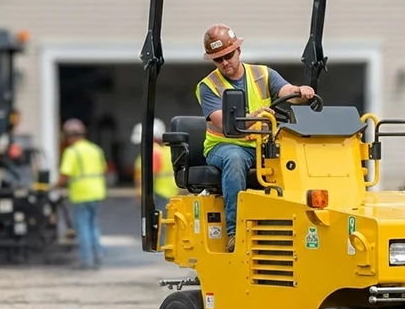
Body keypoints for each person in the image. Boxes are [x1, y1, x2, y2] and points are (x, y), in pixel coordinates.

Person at [195, 23, 315, 252]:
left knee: (296, 158)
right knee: (235, 160)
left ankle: (298, 229)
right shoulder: (208, 86)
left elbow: (287, 92)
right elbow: (225, 123)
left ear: (238, 50)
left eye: (228, 55)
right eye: (218, 59)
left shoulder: (263, 74)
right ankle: (235, 233)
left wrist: (301, 92)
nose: (225, 62)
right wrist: (255, 116)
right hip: (224, 145)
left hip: (261, 145)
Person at [56, 118, 107, 269]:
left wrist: (55, 186)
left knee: (83, 227)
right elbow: (103, 168)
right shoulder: (95, 149)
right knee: (93, 225)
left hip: (81, 193)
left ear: (69, 136)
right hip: (97, 192)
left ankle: (87, 260)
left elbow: (65, 175)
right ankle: (98, 257)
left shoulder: (72, 152)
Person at [132, 118, 178, 244]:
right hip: (171, 190)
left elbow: (150, 175)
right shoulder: (168, 150)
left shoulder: (153, 151)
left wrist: (142, 193)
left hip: (160, 192)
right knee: (168, 221)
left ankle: (163, 245)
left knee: (160, 222)